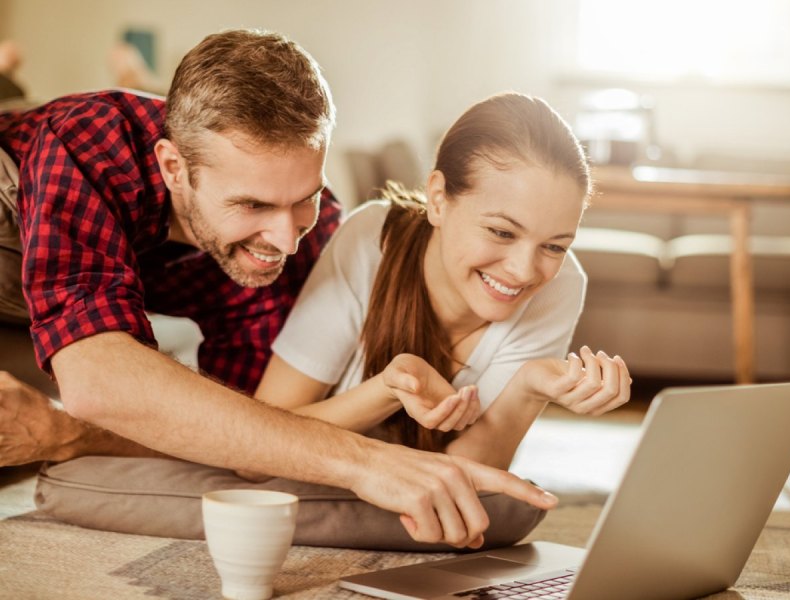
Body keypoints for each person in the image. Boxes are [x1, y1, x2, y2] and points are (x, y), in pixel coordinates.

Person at [0, 29, 557, 549]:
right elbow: (100, 383)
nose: (286, 240)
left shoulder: (309, 240)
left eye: (304, 199)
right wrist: (361, 461)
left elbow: (250, 434)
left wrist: (66, 434)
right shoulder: (92, 142)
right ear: (172, 166)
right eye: (253, 204)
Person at [257, 93, 631, 469]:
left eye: (554, 246)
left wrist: (528, 388)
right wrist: (389, 389)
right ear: (437, 199)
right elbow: (261, 444)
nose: (523, 271)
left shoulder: (558, 286)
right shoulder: (370, 241)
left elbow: (467, 477)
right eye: (501, 232)